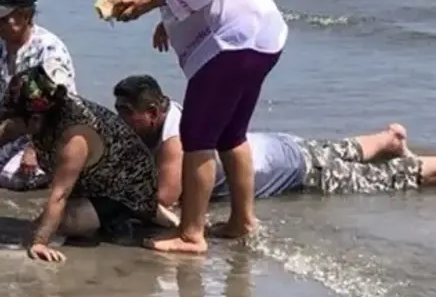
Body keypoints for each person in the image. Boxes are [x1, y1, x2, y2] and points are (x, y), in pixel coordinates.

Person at [111, 0, 287, 254]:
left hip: (231, 43)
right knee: (231, 134)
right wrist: (169, 19)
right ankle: (242, 220)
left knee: (197, 135)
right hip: (262, 37)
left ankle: (192, 233)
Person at [0, 64, 177, 263]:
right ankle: (138, 215)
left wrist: (40, 242)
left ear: (34, 117)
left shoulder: (74, 137)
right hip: (98, 179)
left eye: (17, 117)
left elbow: (59, 194)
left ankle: (132, 216)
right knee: (32, 223)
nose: (12, 123)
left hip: (124, 189)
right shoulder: (45, 109)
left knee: (67, 222)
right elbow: (10, 129)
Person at [113, 74, 436, 203]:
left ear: (154, 111)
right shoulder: (172, 116)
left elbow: (164, 198)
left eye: (128, 111)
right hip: (277, 147)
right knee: (334, 151)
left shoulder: (175, 138)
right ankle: (389, 140)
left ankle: (420, 161)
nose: (121, 119)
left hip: (292, 168)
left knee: (391, 176)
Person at [0, 0, 77, 191]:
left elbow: (59, 108)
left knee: (12, 177)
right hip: (9, 134)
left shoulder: (48, 51)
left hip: (48, 135)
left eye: (4, 19)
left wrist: (33, 149)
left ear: (26, 15)